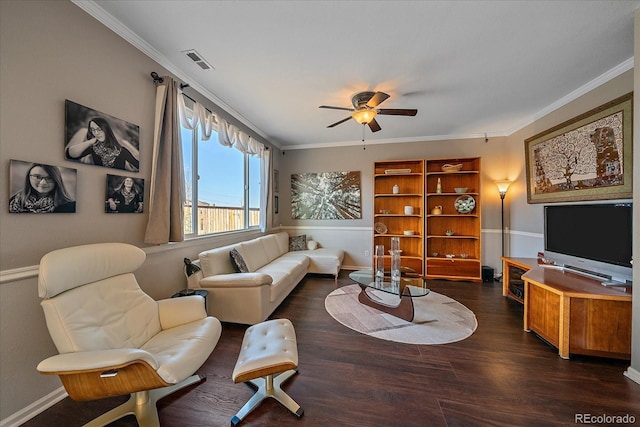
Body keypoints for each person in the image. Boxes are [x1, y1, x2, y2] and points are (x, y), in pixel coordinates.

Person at [66, 117, 139, 171]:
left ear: (106, 130)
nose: (96, 133)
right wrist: (90, 141)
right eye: (93, 130)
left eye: (99, 129)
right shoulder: (94, 148)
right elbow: (70, 155)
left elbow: (138, 165)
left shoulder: (122, 151)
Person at [9, 163, 76, 213]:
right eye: (37, 177)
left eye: (49, 178)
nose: (43, 182)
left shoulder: (71, 206)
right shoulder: (13, 202)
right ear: (28, 178)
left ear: (56, 180)